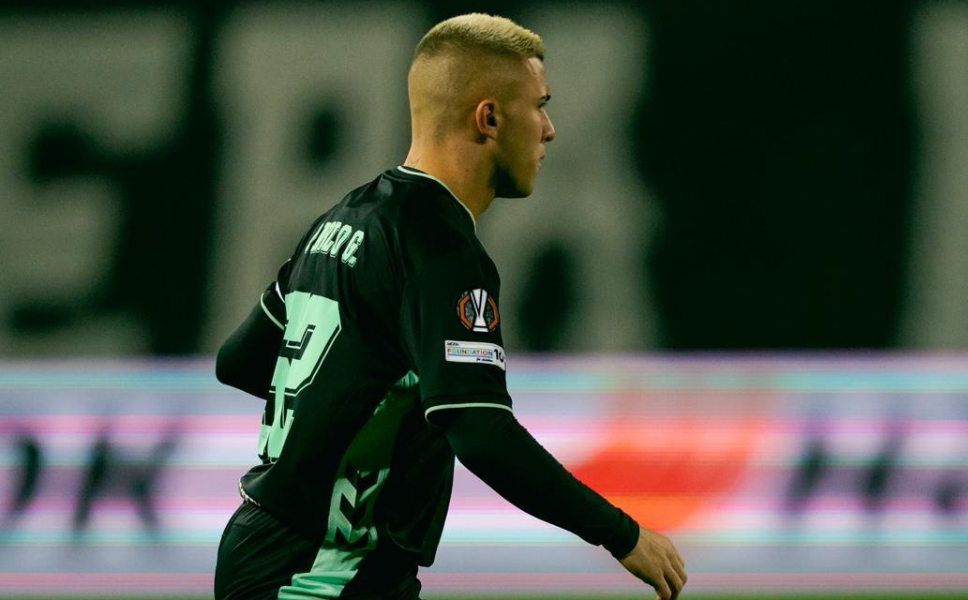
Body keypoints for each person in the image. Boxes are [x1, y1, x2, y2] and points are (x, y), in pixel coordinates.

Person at [213, 13, 687, 600]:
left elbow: (237, 361)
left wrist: (345, 407)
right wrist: (623, 534)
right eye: (538, 105)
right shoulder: (441, 254)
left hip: (275, 549)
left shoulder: (343, 219)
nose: (550, 128)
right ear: (489, 117)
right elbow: (480, 429)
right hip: (322, 572)